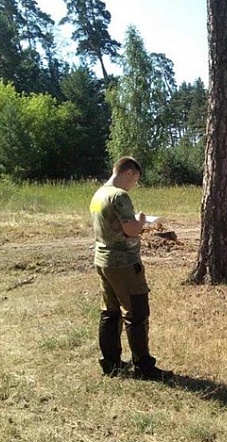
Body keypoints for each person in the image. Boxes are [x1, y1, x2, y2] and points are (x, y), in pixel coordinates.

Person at [90, 156, 172, 380]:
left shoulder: (99, 195)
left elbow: (111, 222)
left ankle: (111, 363)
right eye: (135, 180)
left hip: (103, 259)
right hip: (123, 263)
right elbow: (131, 230)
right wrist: (142, 220)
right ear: (128, 173)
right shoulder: (119, 195)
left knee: (110, 312)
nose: (133, 184)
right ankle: (144, 367)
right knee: (136, 313)